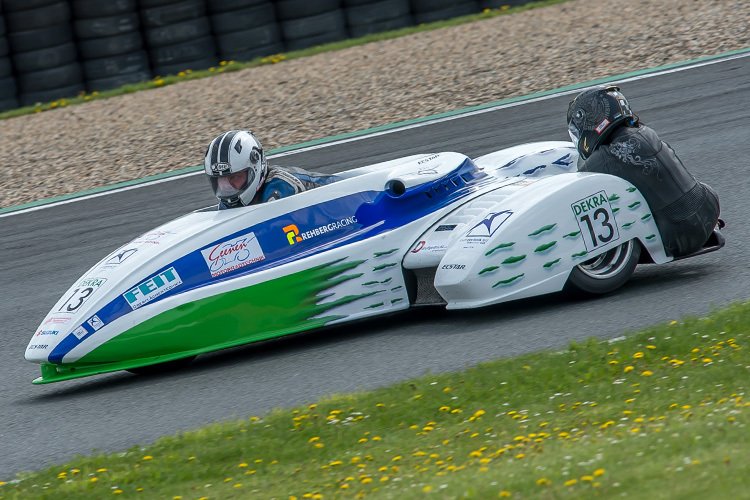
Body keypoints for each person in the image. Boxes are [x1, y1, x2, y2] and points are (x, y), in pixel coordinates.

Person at [566, 85, 721, 258]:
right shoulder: (646, 132)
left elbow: (576, 184)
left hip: (673, 236)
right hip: (708, 209)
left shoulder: (603, 157)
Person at [204, 130, 339, 209]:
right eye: (220, 180)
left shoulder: (281, 187)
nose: (227, 187)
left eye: (234, 177)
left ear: (256, 169)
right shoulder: (225, 206)